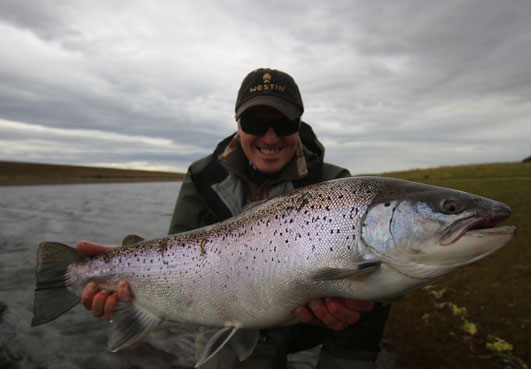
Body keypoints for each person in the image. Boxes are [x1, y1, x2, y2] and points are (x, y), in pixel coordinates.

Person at [77, 68, 391, 368]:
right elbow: (174, 257)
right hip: (232, 315)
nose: (270, 138)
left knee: (369, 310)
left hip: (324, 321)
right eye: (255, 122)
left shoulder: (337, 185)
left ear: (299, 124)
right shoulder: (203, 177)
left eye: (283, 124)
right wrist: (124, 268)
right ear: (238, 123)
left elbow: (394, 268)